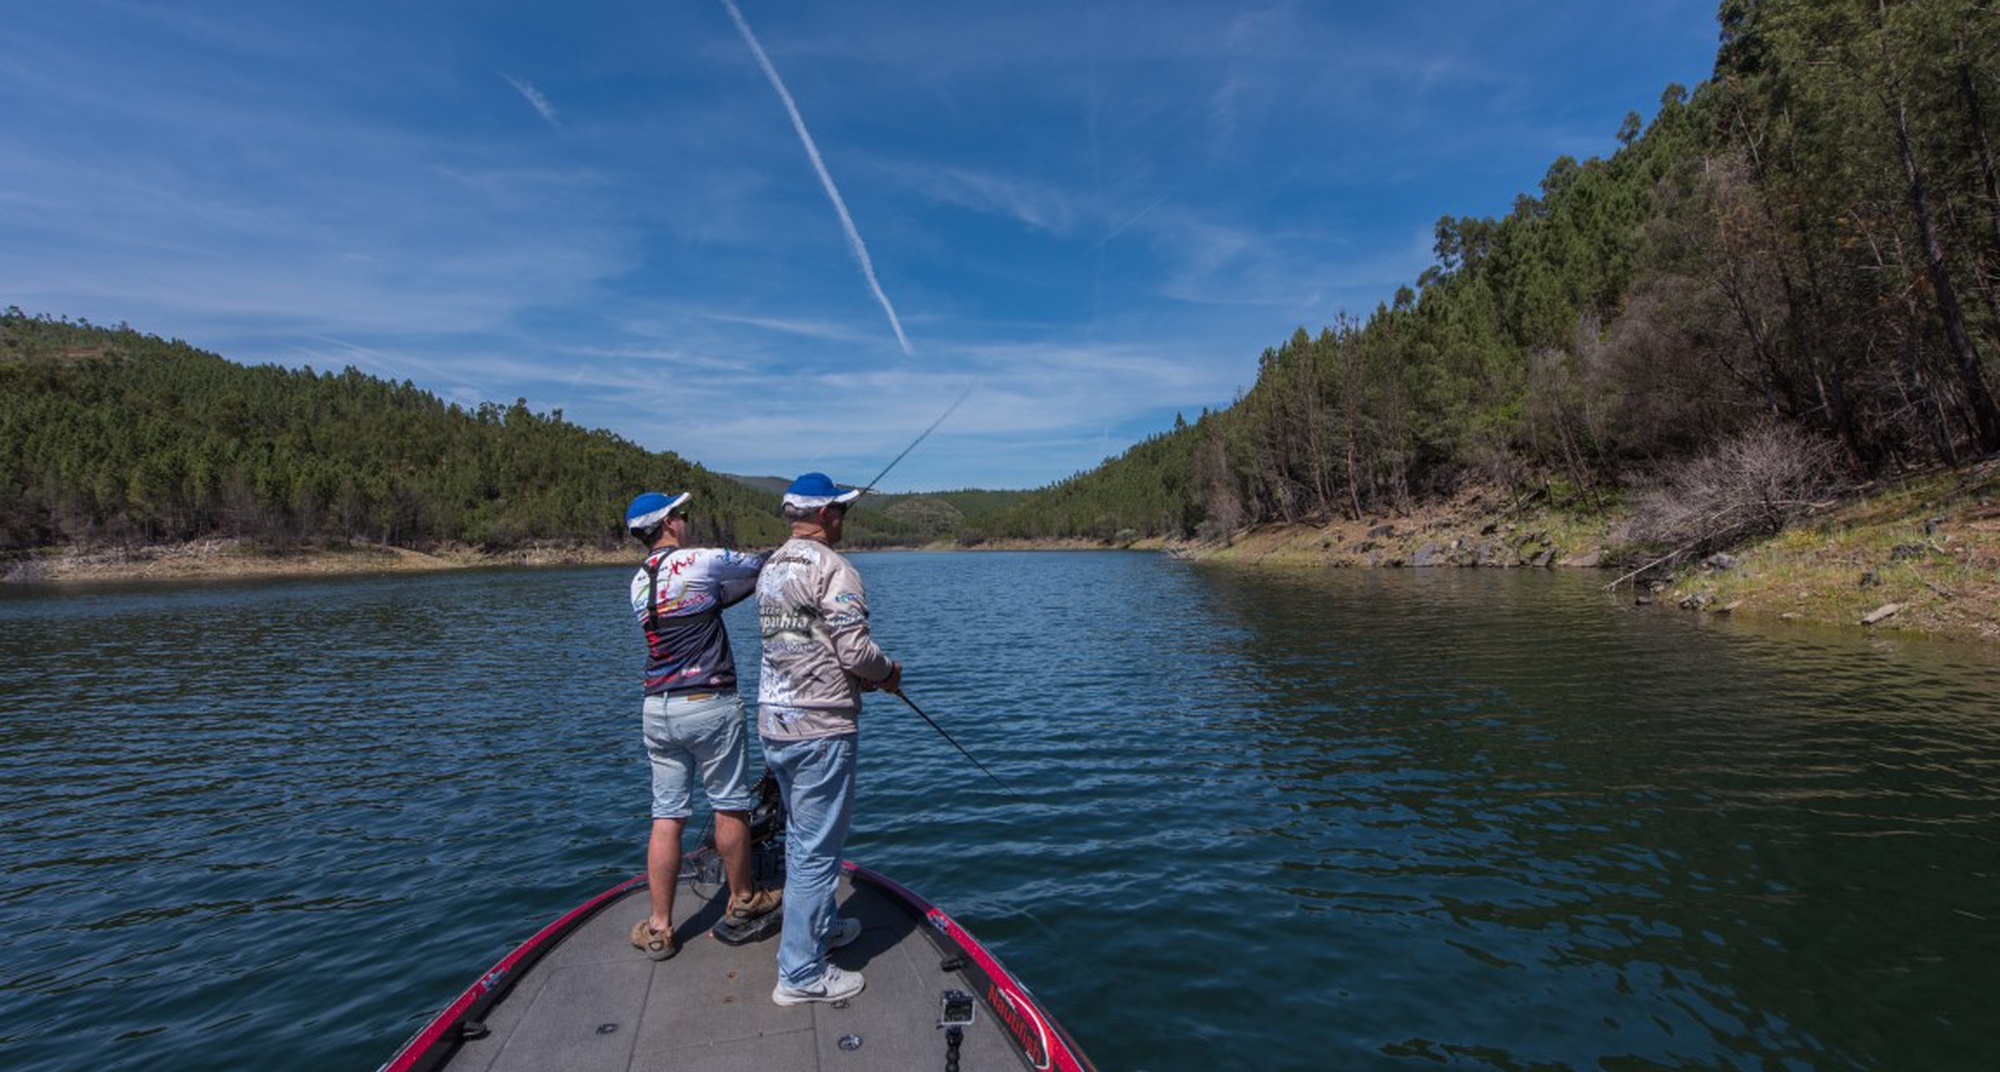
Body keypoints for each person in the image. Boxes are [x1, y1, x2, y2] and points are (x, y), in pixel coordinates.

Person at [756, 472, 903, 1005]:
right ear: (825, 517)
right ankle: (800, 975)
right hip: (820, 727)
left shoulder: (772, 565)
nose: (845, 519)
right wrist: (888, 674)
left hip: (775, 721)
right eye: (840, 511)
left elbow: (796, 643)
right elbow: (855, 653)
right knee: (817, 851)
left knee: (802, 839)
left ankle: (820, 928)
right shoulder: (834, 569)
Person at [623, 490, 782, 961]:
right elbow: (761, 564)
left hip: (657, 709)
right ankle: (743, 900)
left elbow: (711, 601)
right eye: (682, 514)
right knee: (730, 806)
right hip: (708, 702)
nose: (686, 520)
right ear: (669, 523)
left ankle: (659, 926)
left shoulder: (637, 582)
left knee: (666, 815)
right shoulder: (699, 560)